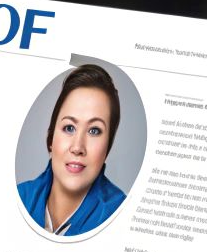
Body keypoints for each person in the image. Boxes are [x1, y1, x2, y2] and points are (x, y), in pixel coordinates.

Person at [17, 63, 127, 237]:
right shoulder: (18, 198)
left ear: (108, 146)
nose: (77, 147)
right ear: (51, 137)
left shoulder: (121, 216)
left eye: (94, 131)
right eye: (69, 128)